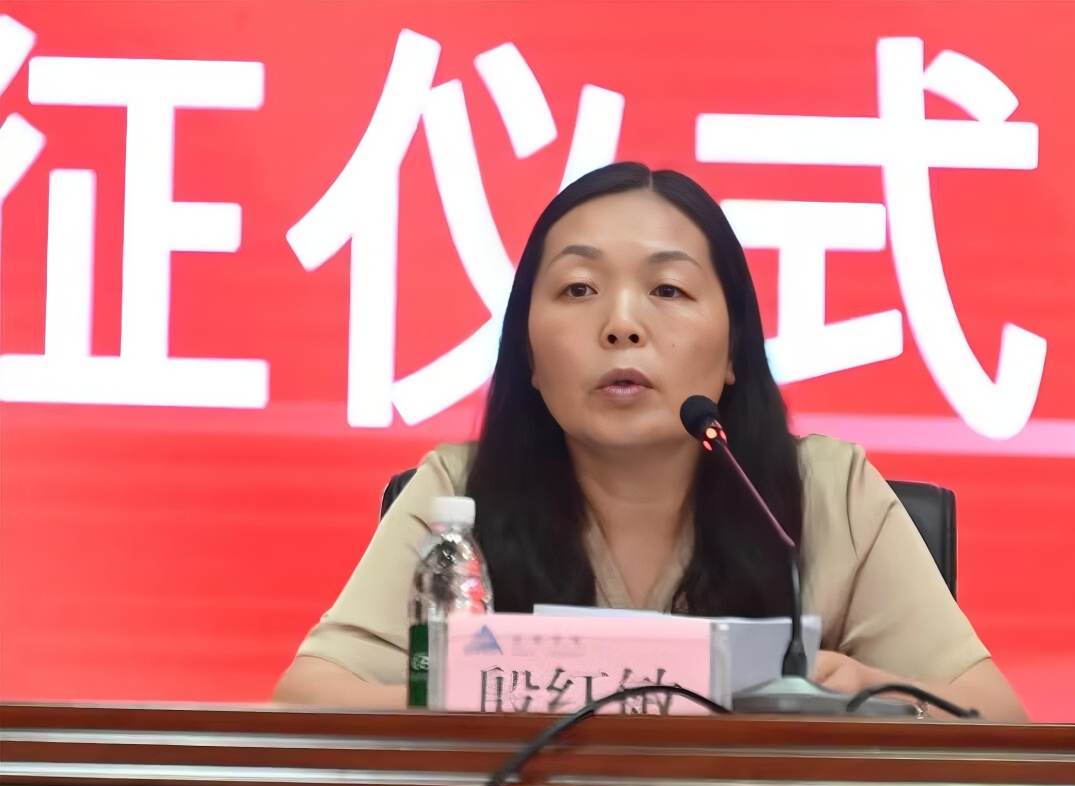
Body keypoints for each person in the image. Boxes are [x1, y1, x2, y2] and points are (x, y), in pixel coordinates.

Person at [274, 162, 1027, 721]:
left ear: (733, 351)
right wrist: (482, 701)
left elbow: (995, 717)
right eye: (578, 289)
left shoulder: (829, 493)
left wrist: (868, 690)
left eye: (668, 290)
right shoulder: (460, 494)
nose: (621, 324)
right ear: (527, 352)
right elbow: (305, 699)